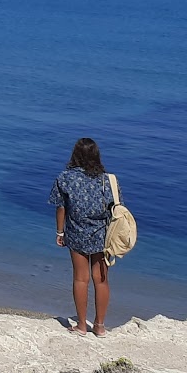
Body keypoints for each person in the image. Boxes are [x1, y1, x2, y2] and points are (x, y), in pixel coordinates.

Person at [50, 137, 115, 336]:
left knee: (81, 278)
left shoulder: (65, 178)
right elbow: (115, 207)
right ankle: (100, 326)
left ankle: (81, 326)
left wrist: (60, 232)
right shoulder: (107, 179)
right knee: (101, 280)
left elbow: (60, 207)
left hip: (76, 232)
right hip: (102, 234)